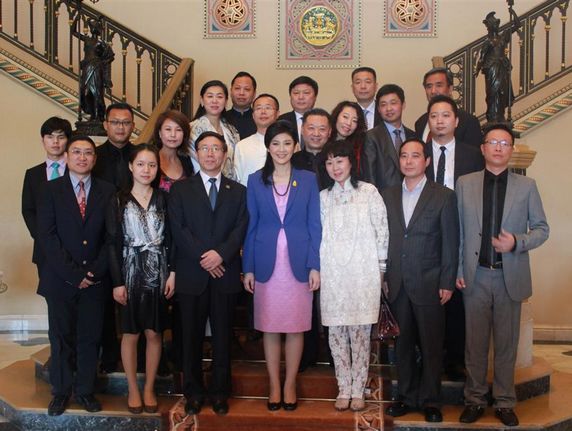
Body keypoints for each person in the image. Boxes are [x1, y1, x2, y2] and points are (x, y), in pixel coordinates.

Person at [456, 124, 549, 427]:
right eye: (492, 142)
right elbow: (458, 232)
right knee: (475, 345)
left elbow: (541, 229)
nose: (498, 147)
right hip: (476, 276)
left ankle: (506, 402)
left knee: (507, 345)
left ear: (511, 150)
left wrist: (517, 243)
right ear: (483, 148)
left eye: (504, 143)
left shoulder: (527, 186)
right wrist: (457, 270)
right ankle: (475, 400)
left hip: (509, 275)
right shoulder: (465, 183)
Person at [242, 121, 321, 411]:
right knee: (270, 327)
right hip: (265, 262)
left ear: (296, 146)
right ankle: (274, 384)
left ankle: (290, 385)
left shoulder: (308, 179)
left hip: (299, 263)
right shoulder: (254, 180)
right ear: (268, 147)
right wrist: (247, 267)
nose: (281, 149)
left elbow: (316, 224)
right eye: (275, 143)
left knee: (296, 327)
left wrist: (315, 264)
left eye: (287, 143)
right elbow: (250, 226)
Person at [169, 131, 248, 416]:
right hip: (193, 274)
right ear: (196, 153)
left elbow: (240, 229)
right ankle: (192, 392)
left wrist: (220, 255)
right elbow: (178, 229)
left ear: (225, 154)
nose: (211, 153)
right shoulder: (180, 189)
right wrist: (205, 257)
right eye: (205, 148)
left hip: (224, 273)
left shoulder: (238, 191)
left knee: (223, 338)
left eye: (216, 148)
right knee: (190, 337)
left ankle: (219, 392)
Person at [36, 135, 115, 416]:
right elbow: (47, 236)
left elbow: (112, 237)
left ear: (95, 158)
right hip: (60, 279)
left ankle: (84, 390)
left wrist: (92, 271)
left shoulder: (107, 191)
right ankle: (61, 391)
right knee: (61, 337)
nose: (82, 157)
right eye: (77, 152)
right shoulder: (49, 190)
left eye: (88, 153)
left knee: (89, 337)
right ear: (67, 157)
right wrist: (73, 273)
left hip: (95, 280)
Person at [382, 138, 459, 423]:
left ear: (426, 161)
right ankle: (405, 396)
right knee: (401, 345)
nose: (409, 161)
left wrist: (448, 281)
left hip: (430, 282)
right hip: (397, 282)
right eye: (404, 156)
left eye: (416, 156)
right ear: (399, 161)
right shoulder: (387, 195)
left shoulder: (444, 196)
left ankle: (430, 400)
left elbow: (451, 242)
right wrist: (385, 275)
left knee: (430, 345)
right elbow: (385, 239)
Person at [319, 140, 388, 412]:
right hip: (334, 275)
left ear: (351, 162)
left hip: (364, 273)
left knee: (360, 334)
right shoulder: (324, 197)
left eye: (340, 160)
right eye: (329, 162)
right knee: (336, 334)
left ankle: (358, 389)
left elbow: (382, 230)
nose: (335, 167)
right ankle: (343, 388)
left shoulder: (368, 192)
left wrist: (382, 270)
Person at [107, 144, 175, 414]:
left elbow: (171, 239)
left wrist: (172, 273)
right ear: (131, 167)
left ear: (158, 169)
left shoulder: (163, 198)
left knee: (154, 332)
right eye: (141, 164)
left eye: (152, 165)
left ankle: (149, 388)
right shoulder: (118, 200)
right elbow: (112, 243)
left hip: (158, 271)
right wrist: (117, 282)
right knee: (131, 334)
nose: (146, 170)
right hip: (129, 271)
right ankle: (133, 389)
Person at [424, 94, 484, 381]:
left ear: (456, 121)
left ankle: (455, 360)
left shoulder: (473, 155)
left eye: (445, 115)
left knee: (458, 297)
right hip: (425, 234)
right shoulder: (416, 152)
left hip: (460, 231)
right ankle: (428, 355)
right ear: (428, 121)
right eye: (434, 116)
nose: (439, 121)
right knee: (427, 297)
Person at [93, 101, 136, 373]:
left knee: (136, 301)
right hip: (103, 239)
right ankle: (108, 357)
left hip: (137, 240)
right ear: (106, 125)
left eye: (126, 123)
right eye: (116, 122)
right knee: (105, 303)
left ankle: (140, 356)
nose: (121, 127)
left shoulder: (143, 155)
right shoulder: (93, 156)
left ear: (133, 126)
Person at [22, 117, 72, 276]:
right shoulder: (33, 174)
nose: (55, 142)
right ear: (43, 140)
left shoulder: (78, 172)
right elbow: (28, 210)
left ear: (68, 140)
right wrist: (44, 237)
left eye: (61, 137)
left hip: (74, 248)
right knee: (52, 299)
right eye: (50, 137)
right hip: (44, 250)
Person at [361, 84, 415, 193]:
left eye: (393, 103)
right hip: (384, 198)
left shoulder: (413, 135)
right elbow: (370, 176)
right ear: (379, 109)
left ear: (403, 105)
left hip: (412, 196)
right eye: (383, 105)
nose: (388, 108)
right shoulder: (371, 137)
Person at [414, 67, 482, 148]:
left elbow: (473, 156)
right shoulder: (420, 122)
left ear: (450, 89)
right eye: (429, 86)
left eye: (439, 85)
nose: (433, 91)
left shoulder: (468, 121)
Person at [475, 9, 521, 123]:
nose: (496, 26)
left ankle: (500, 116)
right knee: (492, 93)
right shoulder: (487, 42)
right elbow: (481, 58)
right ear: (489, 27)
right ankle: (492, 117)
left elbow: (517, 24)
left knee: (502, 92)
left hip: (502, 68)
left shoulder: (503, 37)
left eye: (497, 24)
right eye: (494, 25)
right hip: (491, 69)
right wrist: (476, 70)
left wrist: (512, 11)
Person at [189, 80, 240, 180]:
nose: (214, 101)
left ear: (225, 101)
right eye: (210, 96)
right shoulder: (191, 129)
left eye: (219, 97)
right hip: (201, 184)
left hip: (229, 185)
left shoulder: (232, 130)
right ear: (202, 101)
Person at [234, 93, 280, 186]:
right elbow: (237, 179)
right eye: (258, 108)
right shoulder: (242, 145)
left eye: (268, 108)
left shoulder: (288, 144)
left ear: (277, 114)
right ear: (253, 115)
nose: (263, 112)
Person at [153, 110, 194, 192]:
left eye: (178, 130)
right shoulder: (151, 159)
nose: (173, 135)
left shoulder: (187, 161)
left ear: (184, 134)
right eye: (168, 129)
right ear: (160, 133)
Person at [291, 108, 332, 191]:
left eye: (322, 129)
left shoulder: (337, 161)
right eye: (311, 128)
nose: (316, 134)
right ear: (302, 130)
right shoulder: (292, 161)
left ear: (329, 132)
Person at [277, 75, 319, 147]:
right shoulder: (280, 121)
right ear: (290, 96)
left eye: (306, 93)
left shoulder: (324, 121)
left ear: (315, 97)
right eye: (296, 93)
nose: (301, 97)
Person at [330, 101, 367, 175]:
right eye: (345, 117)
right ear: (336, 116)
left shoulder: (360, 148)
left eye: (354, 121)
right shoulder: (323, 140)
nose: (348, 123)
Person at [227, 71, 257, 139]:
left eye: (247, 89)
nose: (241, 93)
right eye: (237, 88)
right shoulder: (222, 119)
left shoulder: (260, 119)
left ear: (254, 94)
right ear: (231, 91)